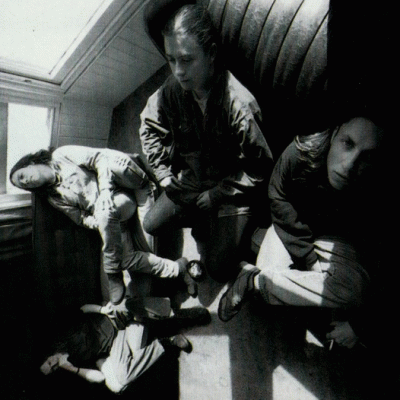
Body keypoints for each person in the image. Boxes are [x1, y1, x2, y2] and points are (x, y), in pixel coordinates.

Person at [218, 114, 386, 349]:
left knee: (354, 289)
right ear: (335, 134)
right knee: (269, 295)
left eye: (367, 157)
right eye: (348, 143)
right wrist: (308, 258)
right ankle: (258, 278)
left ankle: (253, 279)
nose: (349, 165)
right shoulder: (304, 151)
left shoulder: (380, 183)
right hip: (293, 226)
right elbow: (277, 194)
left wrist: (358, 326)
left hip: (336, 238)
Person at [139, 3, 274, 282]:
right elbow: (148, 125)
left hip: (230, 190)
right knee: (151, 224)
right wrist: (163, 174)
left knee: (218, 269)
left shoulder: (239, 106)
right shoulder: (173, 89)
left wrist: (217, 195)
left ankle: (239, 227)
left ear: (211, 54)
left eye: (186, 60)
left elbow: (259, 169)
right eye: (171, 60)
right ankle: (207, 220)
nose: (178, 71)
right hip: (192, 179)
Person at [10, 145, 203, 304]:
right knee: (126, 259)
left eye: (22, 176)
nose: (27, 182)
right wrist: (101, 222)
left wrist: (104, 193)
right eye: (23, 186)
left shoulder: (61, 155)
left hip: (121, 190)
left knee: (112, 179)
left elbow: (100, 159)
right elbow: (81, 218)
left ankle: (112, 270)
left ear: (30, 163)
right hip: (111, 217)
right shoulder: (54, 198)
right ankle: (179, 269)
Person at [39, 302, 201, 394]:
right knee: (120, 381)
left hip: (112, 321)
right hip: (116, 344)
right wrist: (70, 367)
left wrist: (102, 310)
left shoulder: (60, 334)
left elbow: (82, 308)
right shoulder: (72, 365)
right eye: (53, 369)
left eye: (50, 362)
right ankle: (166, 342)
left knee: (131, 309)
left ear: (47, 355)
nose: (54, 364)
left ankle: (178, 319)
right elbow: (100, 377)